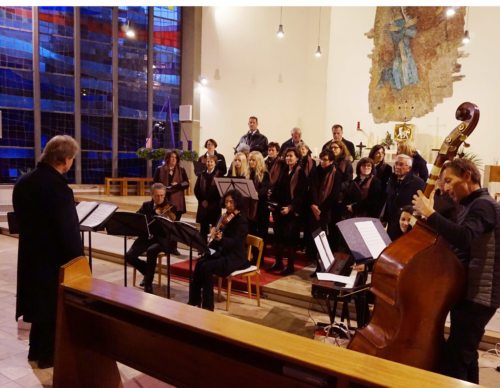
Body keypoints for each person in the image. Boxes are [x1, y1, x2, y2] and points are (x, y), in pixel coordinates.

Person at [412, 158, 500, 383]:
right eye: (443, 182)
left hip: (480, 294)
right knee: (466, 357)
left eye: (449, 180)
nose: (445, 187)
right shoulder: (469, 205)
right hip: (469, 291)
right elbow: (454, 241)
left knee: (455, 360)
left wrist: (431, 214)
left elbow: (465, 238)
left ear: (468, 176)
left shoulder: (484, 205)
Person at [13, 135, 83, 369]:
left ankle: (36, 350)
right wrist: (79, 261)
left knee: (36, 302)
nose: (71, 163)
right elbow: (68, 231)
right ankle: (47, 356)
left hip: (30, 254)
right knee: (52, 307)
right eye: (72, 158)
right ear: (63, 159)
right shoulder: (59, 188)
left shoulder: (23, 182)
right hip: (54, 260)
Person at [188, 189, 250, 311]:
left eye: (231, 202)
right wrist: (210, 244)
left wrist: (221, 239)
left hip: (235, 256)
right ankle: (194, 300)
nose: (228, 205)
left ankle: (208, 305)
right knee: (200, 263)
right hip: (223, 252)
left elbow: (235, 242)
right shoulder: (224, 217)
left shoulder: (241, 221)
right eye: (226, 202)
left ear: (237, 203)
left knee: (207, 267)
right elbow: (218, 239)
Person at [125, 183, 175, 293]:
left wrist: (166, 218)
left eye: (162, 195)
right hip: (146, 237)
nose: (160, 198)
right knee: (129, 256)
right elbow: (137, 219)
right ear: (152, 195)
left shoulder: (170, 207)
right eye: (157, 195)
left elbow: (173, 227)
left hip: (162, 240)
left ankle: (148, 283)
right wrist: (133, 231)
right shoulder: (146, 206)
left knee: (151, 251)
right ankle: (148, 272)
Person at [268, 147, 307, 275]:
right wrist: (272, 201)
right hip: (280, 210)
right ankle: (278, 262)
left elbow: (301, 195)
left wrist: (290, 207)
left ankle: (290, 266)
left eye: (291, 156)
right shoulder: (284, 170)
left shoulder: (300, 172)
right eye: (287, 156)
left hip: (292, 213)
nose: (288, 158)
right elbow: (278, 188)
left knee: (290, 240)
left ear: (297, 158)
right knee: (278, 238)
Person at [153, 149, 189, 255]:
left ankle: (173, 248)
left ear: (177, 159)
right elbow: (154, 184)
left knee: (175, 226)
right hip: (163, 202)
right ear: (167, 158)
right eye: (171, 157)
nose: (173, 159)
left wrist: (177, 185)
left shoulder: (181, 170)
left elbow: (186, 183)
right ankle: (162, 246)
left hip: (177, 202)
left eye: (175, 157)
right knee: (162, 226)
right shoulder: (159, 169)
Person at [382, 154, 425, 240]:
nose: (397, 166)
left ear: (409, 167)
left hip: (406, 224)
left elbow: (419, 205)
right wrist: (384, 218)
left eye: (401, 164)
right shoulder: (392, 179)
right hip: (392, 222)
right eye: (396, 164)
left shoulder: (418, 182)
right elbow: (388, 200)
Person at [194, 155, 222, 242]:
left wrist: (209, 201)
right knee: (203, 228)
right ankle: (202, 247)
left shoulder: (219, 175)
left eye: (211, 162)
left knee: (215, 227)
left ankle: (213, 247)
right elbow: (196, 189)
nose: (209, 163)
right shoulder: (201, 174)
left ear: (215, 163)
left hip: (214, 204)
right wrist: (202, 200)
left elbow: (219, 191)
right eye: (208, 161)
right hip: (203, 205)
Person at [248, 151, 270, 241]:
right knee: (250, 232)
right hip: (250, 207)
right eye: (249, 160)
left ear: (259, 161)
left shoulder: (265, 174)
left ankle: (260, 255)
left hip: (261, 207)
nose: (250, 162)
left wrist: (256, 193)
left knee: (261, 234)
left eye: (253, 160)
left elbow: (264, 189)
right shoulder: (248, 173)